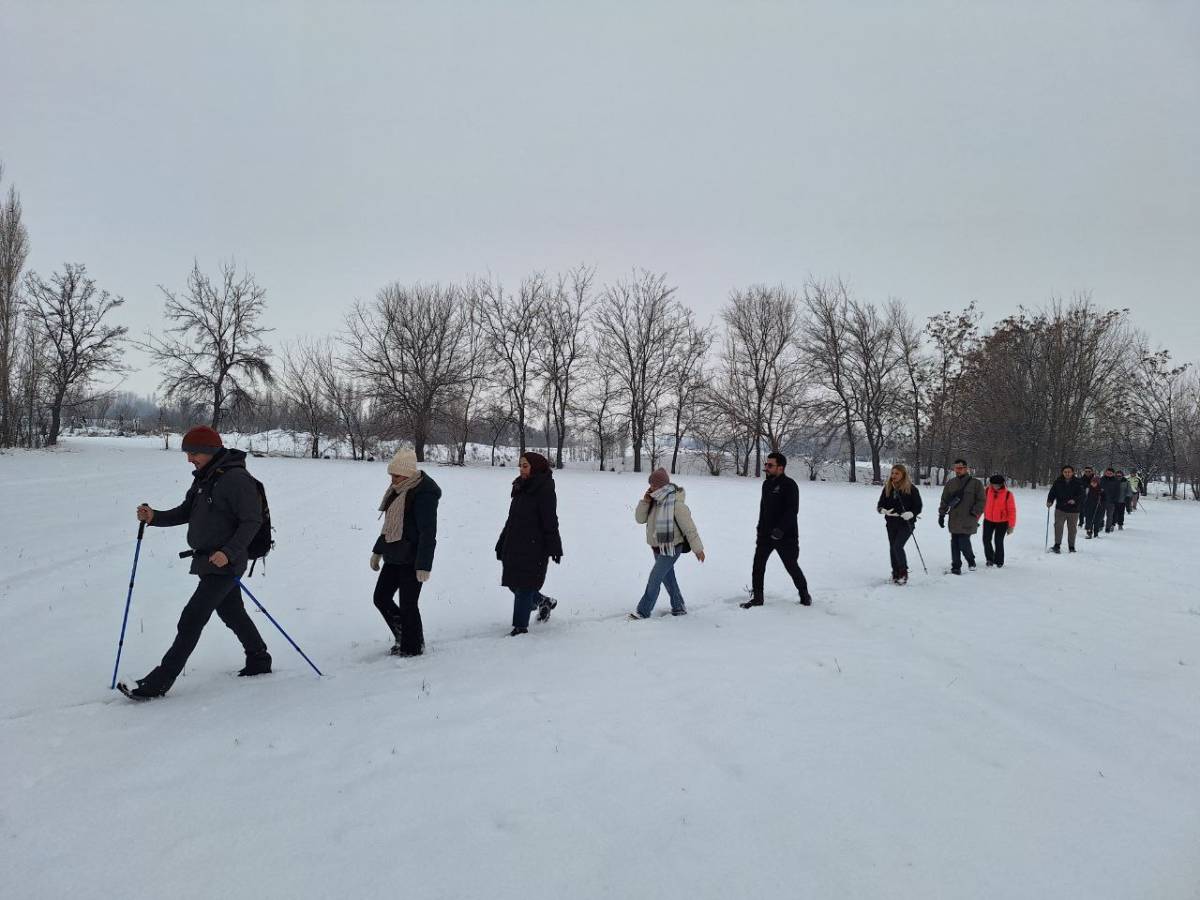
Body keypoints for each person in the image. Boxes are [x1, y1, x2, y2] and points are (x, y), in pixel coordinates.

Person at [122, 425, 271, 699]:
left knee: (192, 618)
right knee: (232, 613)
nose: (189, 459)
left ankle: (159, 682)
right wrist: (154, 517)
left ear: (211, 451)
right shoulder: (205, 477)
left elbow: (252, 521)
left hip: (224, 563)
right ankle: (259, 658)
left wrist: (228, 552)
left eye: (194, 453)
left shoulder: (237, 479)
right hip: (207, 561)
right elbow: (186, 511)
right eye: (188, 453)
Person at [369, 448, 441, 657]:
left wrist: (424, 565)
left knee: (408, 604)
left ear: (409, 474)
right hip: (393, 554)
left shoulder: (424, 494)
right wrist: (378, 551)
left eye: (397, 475)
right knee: (381, 597)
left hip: (412, 557)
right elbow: (389, 526)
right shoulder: (397, 491)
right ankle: (406, 635)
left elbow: (428, 532)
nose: (393, 480)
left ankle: (412, 648)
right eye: (391, 475)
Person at [495, 451, 563, 635]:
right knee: (514, 584)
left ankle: (520, 627)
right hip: (515, 543)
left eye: (525, 466)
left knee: (524, 586)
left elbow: (550, 521)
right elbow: (511, 519)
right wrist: (501, 542)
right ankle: (544, 601)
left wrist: (555, 546)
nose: (521, 469)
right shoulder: (520, 486)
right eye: (520, 466)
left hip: (534, 546)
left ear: (535, 467)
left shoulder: (544, 490)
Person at [630, 467, 705, 618]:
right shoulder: (652, 500)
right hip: (657, 548)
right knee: (668, 579)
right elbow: (640, 519)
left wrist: (698, 549)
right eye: (651, 484)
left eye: (656, 485)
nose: (652, 488)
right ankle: (679, 606)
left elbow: (689, 528)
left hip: (672, 548)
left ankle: (643, 611)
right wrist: (645, 501)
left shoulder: (676, 504)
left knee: (655, 578)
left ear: (664, 485)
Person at [742, 451, 813, 608]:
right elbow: (764, 509)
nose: (766, 467)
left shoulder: (790, 485)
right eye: (766, 464)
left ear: (780, 468)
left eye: (770, 465)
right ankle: (758, 598)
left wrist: (780, 530)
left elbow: (792, 511)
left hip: (785, 536)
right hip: (765, 535)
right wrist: (760, 528)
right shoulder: (766, 485)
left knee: (791, 566)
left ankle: (804, 594)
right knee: (758, 565)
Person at [875, 463, 922, 585]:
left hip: (906, 524)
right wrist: (883, 510)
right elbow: (880, 505)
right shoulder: (887, 488)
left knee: (897, 546)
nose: (894, 475)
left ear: (903, 475)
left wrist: (911, 513)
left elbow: (918, 506)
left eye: (897, 473)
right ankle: (895, 572)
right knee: (892, 547)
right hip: (891, 523)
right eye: (892, 473)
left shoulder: (911, 489)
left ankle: (903, 572)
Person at [938, 458, 985, 574]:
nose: (957, 470)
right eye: (956, 468)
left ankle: (970, 560)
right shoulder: (951, 483)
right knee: (954, 542)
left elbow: (982, 500)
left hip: (968, 518)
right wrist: (942, 514)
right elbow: (944, 500)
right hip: (954, 518)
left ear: (966, 468)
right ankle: (956, 566)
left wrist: (975, 512)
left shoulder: (976, 483)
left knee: (964, 542)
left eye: (960, 468)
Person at [1046, 464, 1084, 553]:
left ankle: (1071, 547)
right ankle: (1057, 545)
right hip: (1060, 508)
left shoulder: (1078, 482)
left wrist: (1075, 500)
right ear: (1062, 473)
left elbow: (1082, 495)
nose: (1067, 473)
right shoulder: (1058, 481)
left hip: (1073, 510)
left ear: (1072, 472)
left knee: (1072, 529)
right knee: (1058, 527)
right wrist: (1049, 501)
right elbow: (1052, 492)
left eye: (1069, 472)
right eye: (1065, 472)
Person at [981, 474, 1017, 567]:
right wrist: (975, 519)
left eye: (998, 484)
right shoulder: (987, 491)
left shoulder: (1008, 494)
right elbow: (982, 506)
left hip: (1002, 522)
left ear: (1002, 484)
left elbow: (1012, 510)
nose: (995, 486)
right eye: (993, 484)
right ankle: (990, 558)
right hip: (988, 520)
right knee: (986, 540)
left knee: (998, 541)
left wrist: (1011, 525)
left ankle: (999, 561)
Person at [1099, 467, 1122, 533]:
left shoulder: (1116, 481)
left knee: (1110, 515)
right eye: (1107, 473)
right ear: (1105, 473)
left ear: (1113, 474)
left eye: (1110, 473)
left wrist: (1115, 500)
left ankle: (1108, 528)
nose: (1109, 474)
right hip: (1102, 500)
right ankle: (1100, 525)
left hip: (1111, 501)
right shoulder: (1101, 479)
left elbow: (1118, 492)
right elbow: (1098, 489)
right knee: (1101, 515)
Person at [1082, 474, 1104, 539]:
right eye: (1092, 482)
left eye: (1095, 483)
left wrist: (1101, 500)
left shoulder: (1101, 490)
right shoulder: (1088, 489)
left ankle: (1096, 533)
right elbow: (1084, 497)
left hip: (1098, 508)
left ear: (1097, 483)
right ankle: (1089, 533)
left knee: (1097, 521)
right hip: (1089, 507)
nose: (1093, 484)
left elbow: (1105, 499)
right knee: (1089, 521)